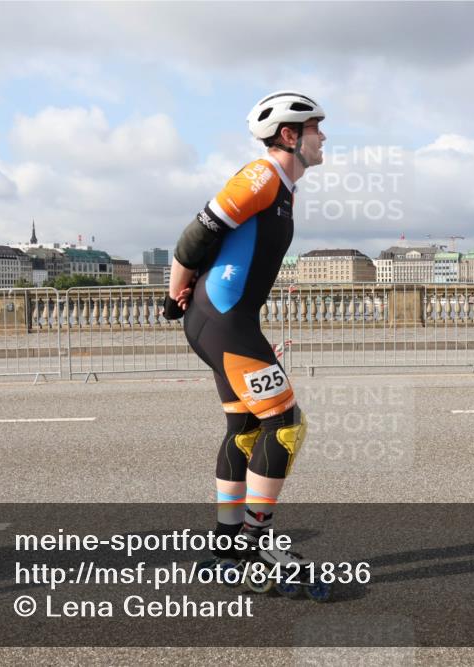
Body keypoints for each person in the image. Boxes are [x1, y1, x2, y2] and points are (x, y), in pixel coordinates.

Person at [162, 91, 326, 579]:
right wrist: (173, 296)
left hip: (228, 322)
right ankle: (258, 544)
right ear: (289, 135)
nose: (323, 137)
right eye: (315, 129)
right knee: (286, 425)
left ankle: (229, 546)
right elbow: (195, 236)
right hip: (223, 322)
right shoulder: (262, 175)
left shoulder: (284, 187)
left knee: (246, 429)